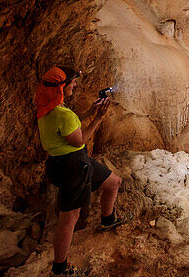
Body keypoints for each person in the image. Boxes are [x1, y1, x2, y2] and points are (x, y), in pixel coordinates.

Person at [35, 66, 128, 276]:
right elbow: (79, 139)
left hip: (68, 161)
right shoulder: (62, 114)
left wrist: (90, 111)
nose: (75, 85)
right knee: (69, 219)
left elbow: (69, 126)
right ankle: (60, 268)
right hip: (73, 165)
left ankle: (108, 220)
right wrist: (98, 119)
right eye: (73, 82)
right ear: (62, 87)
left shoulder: (48, 106)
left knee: (114, 183)